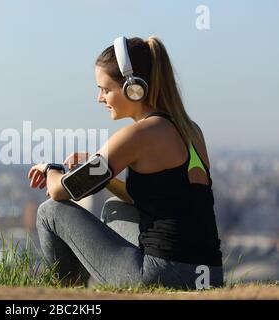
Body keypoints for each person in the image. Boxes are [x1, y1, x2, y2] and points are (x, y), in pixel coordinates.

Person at [27, 36, 223, 289]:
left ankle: (68, 296)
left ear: (134, 88)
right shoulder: (190, 129)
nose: (100, 98)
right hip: (209, 277)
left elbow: (59, 190)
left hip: (161, 275)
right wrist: (107, 177)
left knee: (49, 211)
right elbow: (162, 198)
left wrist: (51, 168)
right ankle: (97, 288)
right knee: (114, 207)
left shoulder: (137, 135)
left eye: (105, 89)